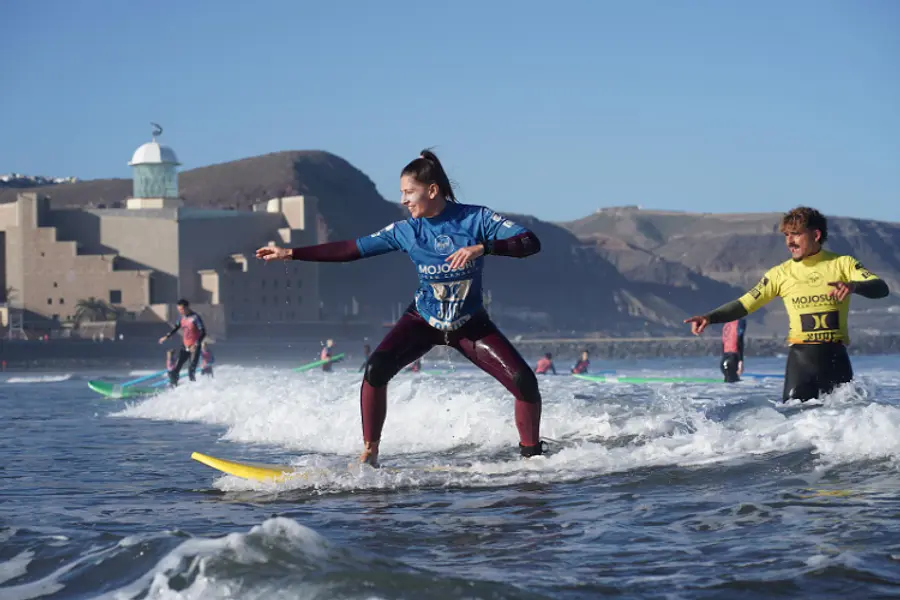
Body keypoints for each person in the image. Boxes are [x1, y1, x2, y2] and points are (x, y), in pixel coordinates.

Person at [257, 149, 543, 466]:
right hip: (423, 319)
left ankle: (532, 458)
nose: (404, 200)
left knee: (524, 382)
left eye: (409, 192)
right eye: (402, 193)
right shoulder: (407, 231)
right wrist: (291, 253)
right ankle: (370, 452)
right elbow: (351, 249)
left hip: (469, 323)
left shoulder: (476, 219)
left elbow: (530, 242)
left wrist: (484, 247)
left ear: (432, 190)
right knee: (375, 369)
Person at [685, 207, 889, 402]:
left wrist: (854, 286)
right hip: (800, 362)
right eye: (786, 235)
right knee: (792, 426)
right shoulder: (780, 274)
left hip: (836, 359)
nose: (789, 241)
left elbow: (880, 288)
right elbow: (744, 304)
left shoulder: (843, 264)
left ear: (816, 235)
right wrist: (709, 317)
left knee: (847, 424)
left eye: (795, 234)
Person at [158, 299, 206, 385]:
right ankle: (174, 387)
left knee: (191, 370)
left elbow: (203, 332)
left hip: (194, 348)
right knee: (176, 368)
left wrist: (196, 344)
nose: (180, 311)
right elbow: (176, 328)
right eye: (179, 310)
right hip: (185, 346)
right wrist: (166, 336)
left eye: (181, 309)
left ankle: (193, 389)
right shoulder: (181, 318)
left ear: (187, 307)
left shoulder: (195, 317)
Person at [721, 318, 746, 383]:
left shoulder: (726, 324)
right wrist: (740, 361)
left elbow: (723, 343)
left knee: (727, 387)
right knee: (735, 388)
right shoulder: (740, 322)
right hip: (733, 359)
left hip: (724, 360)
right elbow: (739, 340)